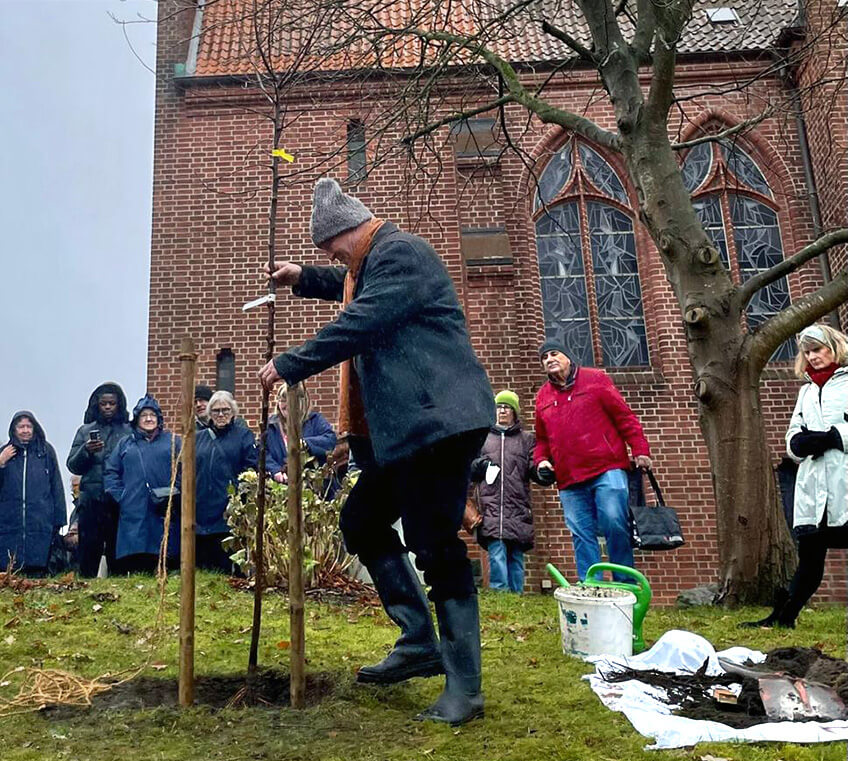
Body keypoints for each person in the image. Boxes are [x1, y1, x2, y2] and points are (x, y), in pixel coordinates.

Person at [259, 178, 494, 725]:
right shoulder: (372, 262)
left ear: (350, 230)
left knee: (435, 543)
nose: (331, 257)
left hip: (435, 420)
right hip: (406, 430)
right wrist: (303, 278)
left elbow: (360, 319)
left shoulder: (401, 253)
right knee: (361, 519)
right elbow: (348, 286)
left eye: (330, 248)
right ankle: (418, 641)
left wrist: (291, 362)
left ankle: (466, 690)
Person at [744, 325, 848, 629]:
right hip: (815, 486)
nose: (813, 356)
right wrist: (798, 445)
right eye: (808, 351)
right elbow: (794, 432)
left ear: (834, 348)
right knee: (810, 558)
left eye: (819, 349)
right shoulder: (806, 390)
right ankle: (785, 616)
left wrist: (834, 436)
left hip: (844, 481)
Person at [533, 340, 651, 583]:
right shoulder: (543, 396)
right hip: (569, 478)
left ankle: (624, 584)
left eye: (554, 354)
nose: (549, 359)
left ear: (568, 357)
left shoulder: (595, 379)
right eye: (544, 358)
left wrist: (640, 449)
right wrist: (541, 461)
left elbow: (624, 416)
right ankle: (591, 585)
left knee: (614, 521)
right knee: (581, 533)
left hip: (606, 467)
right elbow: (542, 439)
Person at [0, 411, 68, 576]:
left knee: (39, 571)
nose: (25, 430)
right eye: (21, 426)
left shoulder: (46, 452)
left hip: (40, 522)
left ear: (35, 428)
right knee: (7, 570)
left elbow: (56, 486)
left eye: (29, 426)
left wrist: (59, 520)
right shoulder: (5, 452)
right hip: (9, 521)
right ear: (14, 430)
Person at [104, 394, 181, 575]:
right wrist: (122, 496)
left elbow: (184, 470)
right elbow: (111, 472)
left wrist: (175, 493)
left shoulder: (173, 442)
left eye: (152, 415)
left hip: (163, 509)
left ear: (159, 419)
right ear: (137, 419)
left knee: (163, 550)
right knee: (135, 560)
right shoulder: (124, 444)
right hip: (133, 510)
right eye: (144, 415)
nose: (148, 419)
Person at [471, 391, 536, 593]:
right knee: (496, 551)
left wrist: (543, 470)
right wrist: (480, 465)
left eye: (506, 407)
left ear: (515, 412)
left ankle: (517, 594)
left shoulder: (526, 439)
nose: (502, 411)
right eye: (498, 407)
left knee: (516, 553)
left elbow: (534, 467)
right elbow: (470, 467)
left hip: (517, 504)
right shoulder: (483, 438)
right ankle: (500, 592)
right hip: (491, 505)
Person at [67, 382, 132, 578]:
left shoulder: (128, 431)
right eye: (103, 403)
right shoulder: (85, 431)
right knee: (88, 552)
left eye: (112, 403)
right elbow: (72, 464)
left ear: (118, 405)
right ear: (97, 405)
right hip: (91, 500)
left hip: (118, 501)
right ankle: (84, 589)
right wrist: (86, 450)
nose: (107, 407)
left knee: (117, 553)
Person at [195, 390, 258, 572]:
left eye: (225, 410)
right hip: (202, 509)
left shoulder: (243, 435)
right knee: (204, 567)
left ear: (233, 412)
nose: (220, 414)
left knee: (227, 561)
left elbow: (250, 467)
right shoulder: (199, 438)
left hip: (228, 510)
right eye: (215, 411)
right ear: (209, 414)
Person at [263, 382, 337, 495]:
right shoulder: (271, 426)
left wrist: (306, 444)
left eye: (292, 400)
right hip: (280, 490)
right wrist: (275, 470)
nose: (286, 404)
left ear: (302, 402)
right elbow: (263, 453)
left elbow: (330, 440)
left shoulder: (315, 421)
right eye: (282, 400)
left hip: (314, 490)